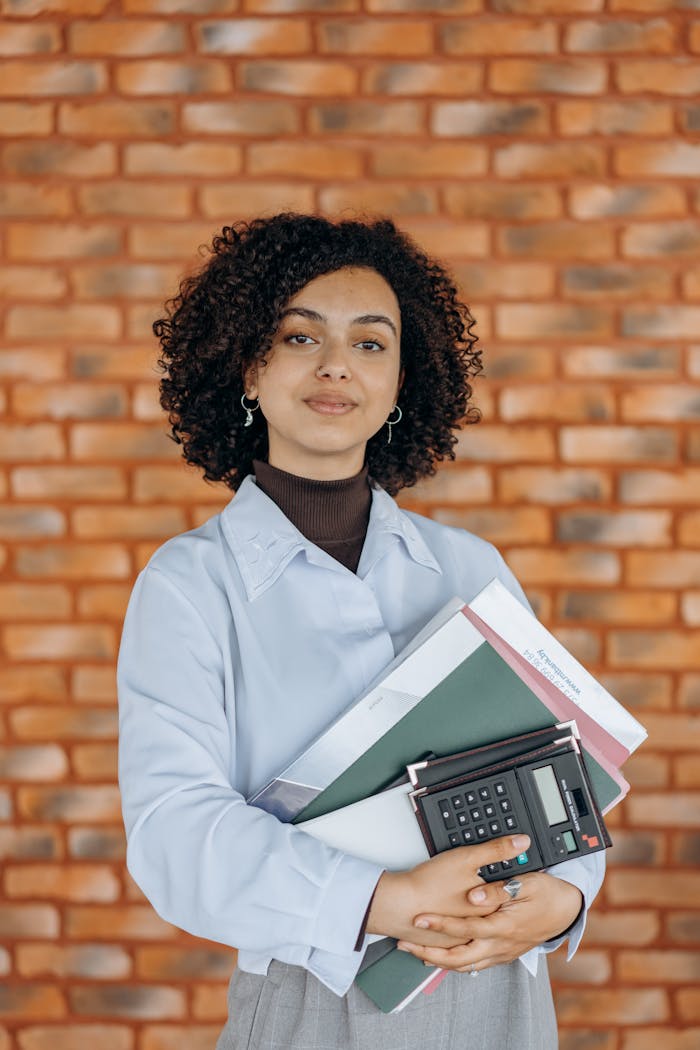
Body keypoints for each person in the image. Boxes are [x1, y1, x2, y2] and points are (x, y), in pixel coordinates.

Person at [117, 213, 605, 1050]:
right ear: (248, 364)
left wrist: (567, 902)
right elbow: (176, 832)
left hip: (499, 987)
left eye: (371, 343)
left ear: (403, 380)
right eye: (300, 335)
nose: (337, 365)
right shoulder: (189, 584)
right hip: (319, 992)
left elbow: (566, 774)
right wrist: (387, 900)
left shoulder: (469, 566)